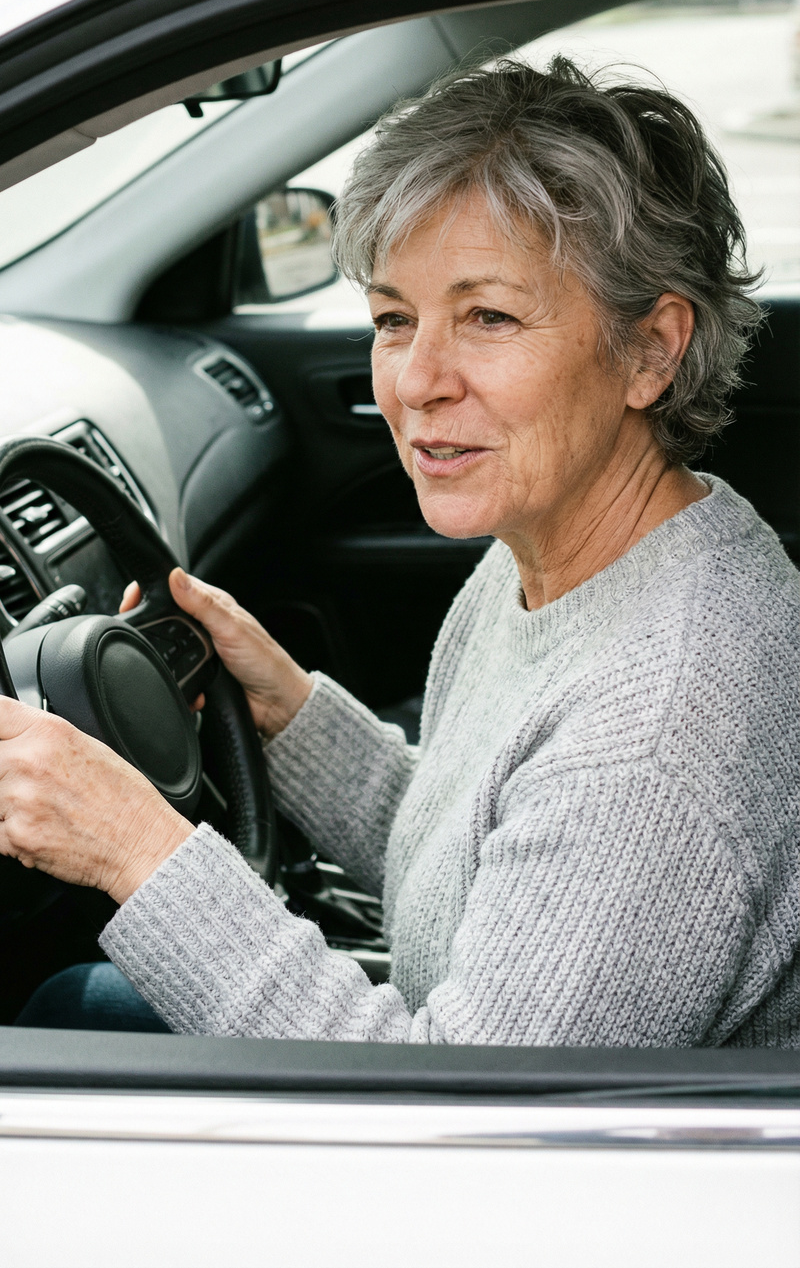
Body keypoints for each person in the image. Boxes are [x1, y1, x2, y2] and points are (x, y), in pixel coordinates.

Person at [7, 57, 800, 1046]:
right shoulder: (570, 550)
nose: (417, 379)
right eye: (392, 317)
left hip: (477, 1160)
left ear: (648, 349)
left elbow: (469, 1133)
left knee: (61, 1019)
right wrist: (288, 716)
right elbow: (477, 864)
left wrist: (134, 847)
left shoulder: (655, 732)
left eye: (487, 316)